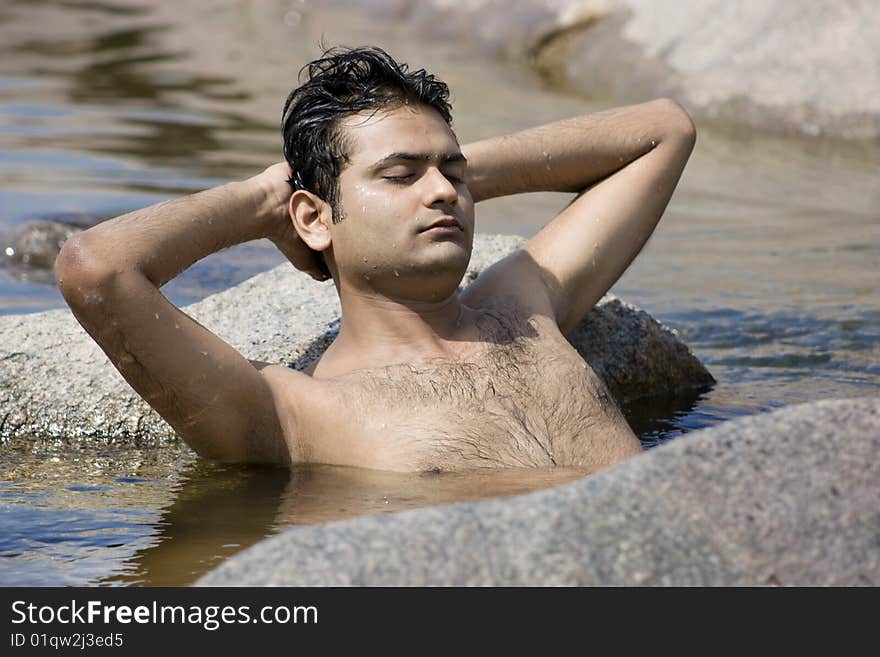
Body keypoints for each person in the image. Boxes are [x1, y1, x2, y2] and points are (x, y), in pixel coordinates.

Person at [55, 46, 696, 473]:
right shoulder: (290, 413)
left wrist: (446, 172)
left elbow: (664, 130)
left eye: (452, 172)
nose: (443, 192)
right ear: (311, 217)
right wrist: (264, 200)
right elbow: (97, 268)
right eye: (399, 175)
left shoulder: (523, 307)